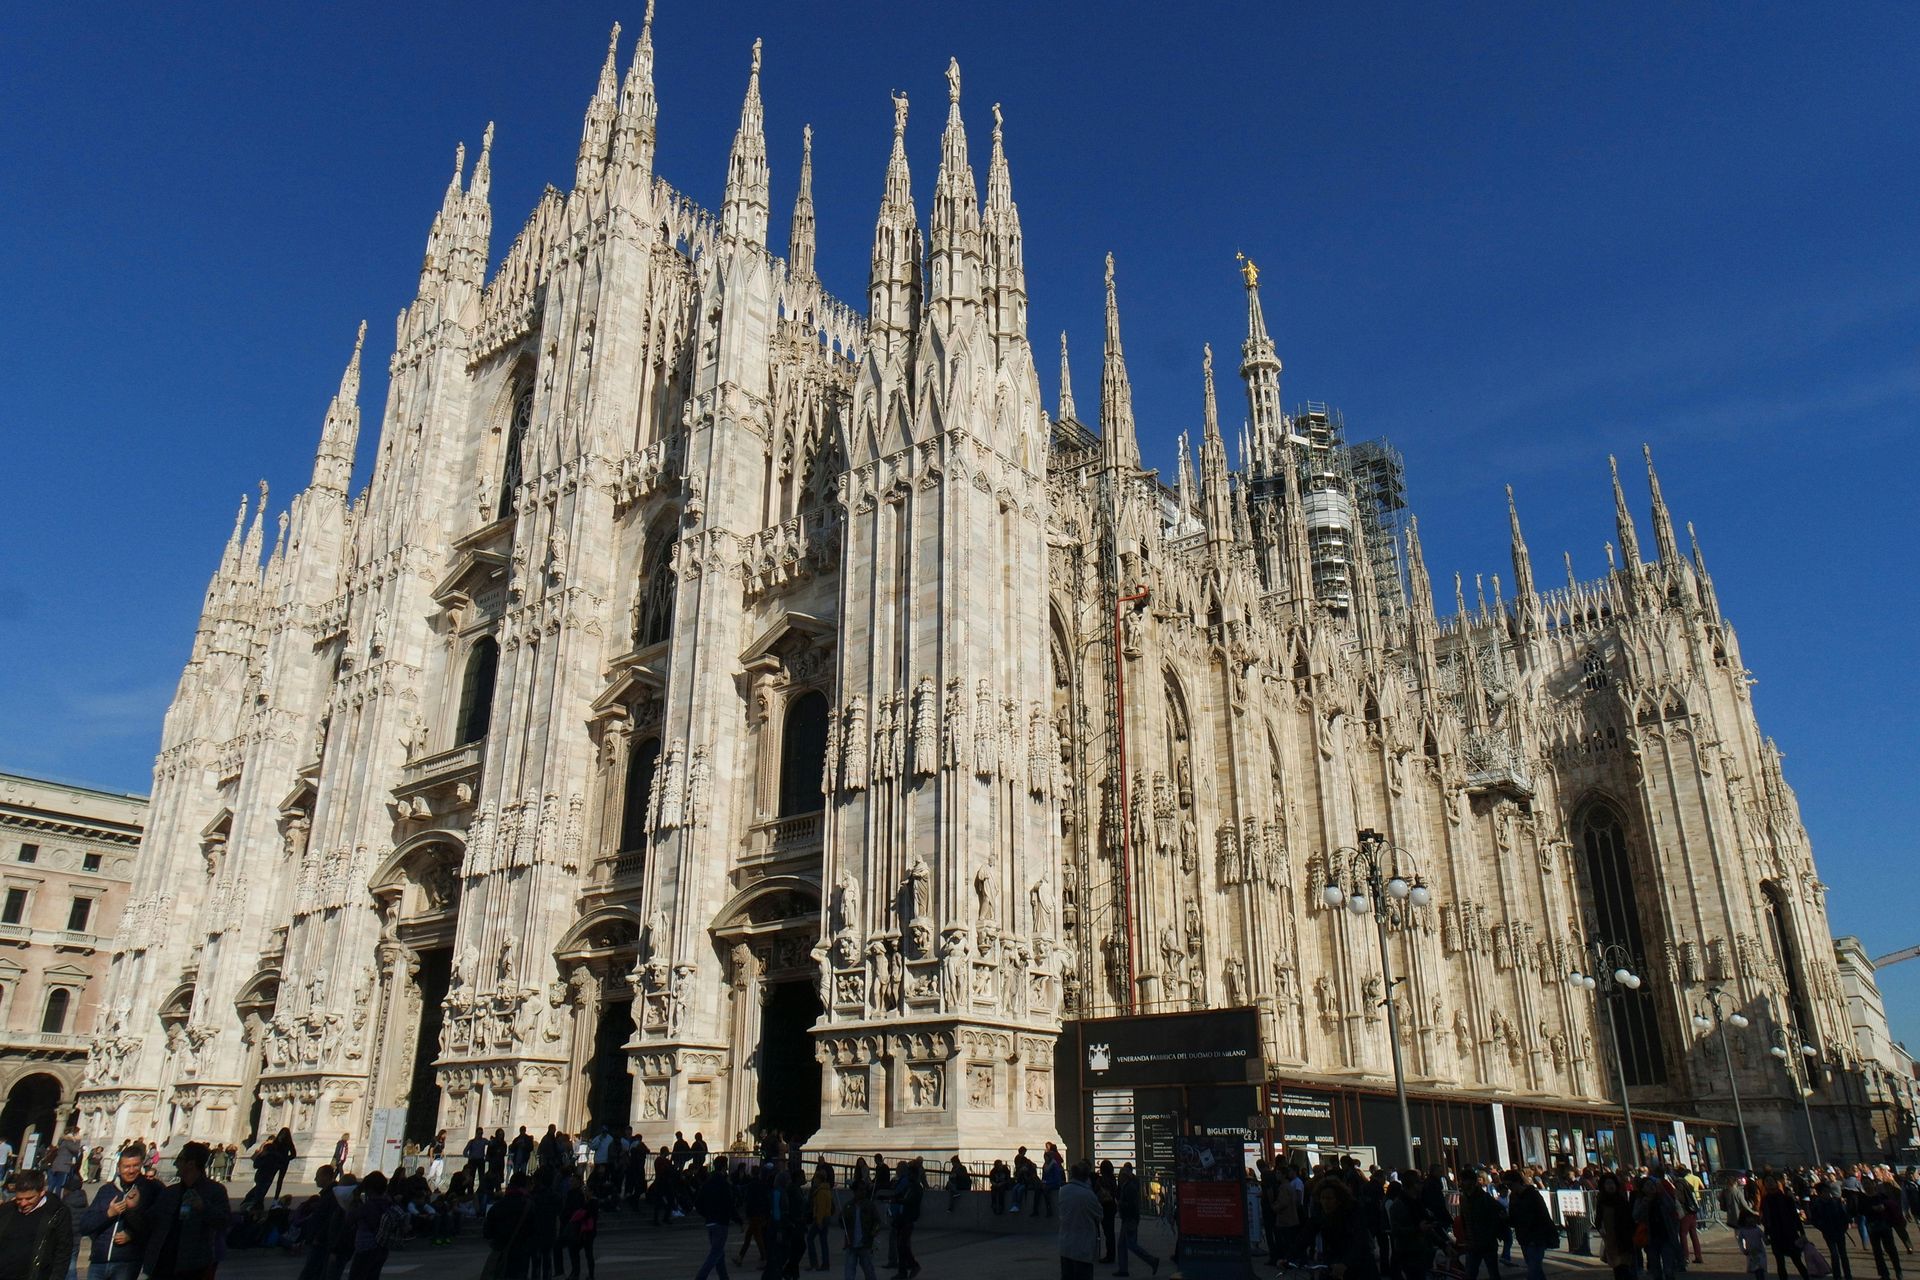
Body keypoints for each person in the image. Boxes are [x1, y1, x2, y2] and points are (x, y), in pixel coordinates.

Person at [139, 1143, 230, 1280]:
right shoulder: (170, 1192)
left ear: (191, 1164)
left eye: (180, 1159)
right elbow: (150, 1220)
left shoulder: (215, 1191)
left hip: (193, 1265)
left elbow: (224, 1222)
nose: (175, 1164)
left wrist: (203, 1207)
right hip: (162, 1262)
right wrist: (134, 1208)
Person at [75, 1146, 161, 1280]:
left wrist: (132, 1232)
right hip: (99, 1261)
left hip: (127, 1263)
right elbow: (85, 1226)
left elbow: (155, 1228)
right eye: (127, 1166)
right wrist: (109, 1213)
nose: (131, 1170)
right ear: (119, 1167)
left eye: (135, 1166)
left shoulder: (151, 1190)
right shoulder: (106, 1190)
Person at [0, 1170, 75, 1280]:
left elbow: (63, 1251)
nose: (23, 1203)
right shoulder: (7, 1210)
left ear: (41, 1193)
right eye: (19, 1199)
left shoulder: (57, 1213)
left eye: (29, 1198)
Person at [1315, 1176, 1381, 1280]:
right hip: (1335, 1263)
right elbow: (1307, 1232)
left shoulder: (1353, 1212)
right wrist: (1289, 1257)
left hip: (1360, 1265)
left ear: (1338, 1199)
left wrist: (1345, 1263)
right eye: (1322, 1198)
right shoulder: (1321, 1213)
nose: (1325, 1202)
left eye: (1329, 1198)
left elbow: (1359, 1240)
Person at [294, 1165, 351, 1280]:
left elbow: (330, 1219)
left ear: (326, 1177)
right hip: (320, 1241)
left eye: (318, 1176)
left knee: (312, 1273)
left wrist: (319, 1237)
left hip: (322, 1243)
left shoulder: (333, 1195)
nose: (315, 1179)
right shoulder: (329, 1194)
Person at [483, 1173, 538, 1280]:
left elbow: (487, 1232)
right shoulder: (529, 1205)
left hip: (500, 1252)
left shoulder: (497, 1206)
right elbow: (534, 1230)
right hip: (521, 1254)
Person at [1507, 1169, 1559, 1280]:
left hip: (1536, 1236)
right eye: (1506, 1185)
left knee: (1533, 1269)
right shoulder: (1513, 1197)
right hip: (1523, 1237)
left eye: (1510, 1184)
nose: (1509, 1187)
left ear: (1517, 1182)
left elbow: (1543, 1214)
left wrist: (1550, 1234)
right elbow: (1512, 1219)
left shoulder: (1532, 1195)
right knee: (1534, 1268)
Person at [1112, 1162, 1160, 1278]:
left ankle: (1151, 1260)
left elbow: (1131, 1205)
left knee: (1130, 1244)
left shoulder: (1129, 1188)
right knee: (1123, 1245)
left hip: (1129, 1219)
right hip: (1129, 1219)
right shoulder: (1128, 1185)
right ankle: (1123, 1269)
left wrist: (1121, 1204)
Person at [1057, 1162, 1104, 1280]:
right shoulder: (1088, 1194)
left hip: (1065, 1243)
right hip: (1083, 1245)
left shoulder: (1063, 1191)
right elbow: (1099, 1214)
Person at [1760, 1175, 1812, 1280]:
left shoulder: (1786, 1198)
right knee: (1780, 1263)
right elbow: (1766, 1219)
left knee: (1797, 1261)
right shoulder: (1765, 1201)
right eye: (1767, 1182)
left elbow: (1795, 1216)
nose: (1769, 1183)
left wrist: (1802, 1233)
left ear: (1776, 1183)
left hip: (1789, 1233)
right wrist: (1766, 1234)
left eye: (1771, 1181)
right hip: (1775, 1234)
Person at [1459, 1170, 1507, 1280]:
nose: (1462, 1183)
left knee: (1493, 1273)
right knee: (1470, 1274)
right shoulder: (1464, 1198)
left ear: (1471, 1182)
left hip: (1486, 1242)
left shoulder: (1484, 1197)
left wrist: (1492, 1231)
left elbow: (1500, 1211)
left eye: (1464, 1181)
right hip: (1472, 1243)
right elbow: (1464, 1220)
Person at [348, 1170, 396, 1280]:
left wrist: (356, 1198)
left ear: (369, 1189)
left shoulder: (369, 1206)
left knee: (357, 1276)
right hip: (382, 1246)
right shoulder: (388, 1202)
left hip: (366, 1247)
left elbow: (350, 1218)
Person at [1595, 1173, 1638, 1280]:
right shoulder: (1602, 1202)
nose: (1611, 1186)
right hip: (1611, 1239)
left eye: (1612, 1183)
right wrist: (1601, 1229)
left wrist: (1632, 1233)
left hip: (1625, 1239)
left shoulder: (1621, 1199)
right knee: (1618, 1268)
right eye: (1608, 1183)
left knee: (1626, 1267)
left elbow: (1629, 1218)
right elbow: (1598, 1220)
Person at [1812, 1181, 1857, 1280]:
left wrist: (1844, 1225)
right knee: (1834, 1255)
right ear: (1820, 1193)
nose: (1827, 1194)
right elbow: (1814, 1220)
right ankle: (1837, 1276)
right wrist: (1822, 1227)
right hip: (1828, 1232)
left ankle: (1848, 1275)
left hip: (1839, 1230)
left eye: (1828, 1191)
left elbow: (1844, 1214)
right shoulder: (1818, 1205)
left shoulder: (1836, 1201)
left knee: (1843, 1254)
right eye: (1825, 1192)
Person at [891, 1159, 923, 1279]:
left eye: (910, 1174)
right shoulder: (910, 1186)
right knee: (901, 1245)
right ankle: (902, 1272)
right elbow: (900, 1194)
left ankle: (913, 1265)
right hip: (903, 1218)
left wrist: (897, 1200)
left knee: (902, 1245)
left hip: (908, 1219)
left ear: (914, 1175)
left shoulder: (917, 1188)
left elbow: (909, 1200)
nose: (908, 1176)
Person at [808, 1165, 835, 1273]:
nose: (814, 1182)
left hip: (821, 1219)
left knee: (810, 1239)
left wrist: (818, 1221)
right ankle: (825, 1263)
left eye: (815, 1180)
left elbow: (821, 1208)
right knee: (823, 1241)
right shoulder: (826, 1189)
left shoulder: (821, 1192)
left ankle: (815, 1263)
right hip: (826, 1217)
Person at [46, 1132, 82, 1198]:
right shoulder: (68, 1142)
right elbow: (76, 1149)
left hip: (57, 1165)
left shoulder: (62, 1141)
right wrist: (78, 1141)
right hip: (63, 1166)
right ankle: (57, 1198)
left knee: (53, 1183)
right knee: (61, 1184)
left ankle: (48, 1197)